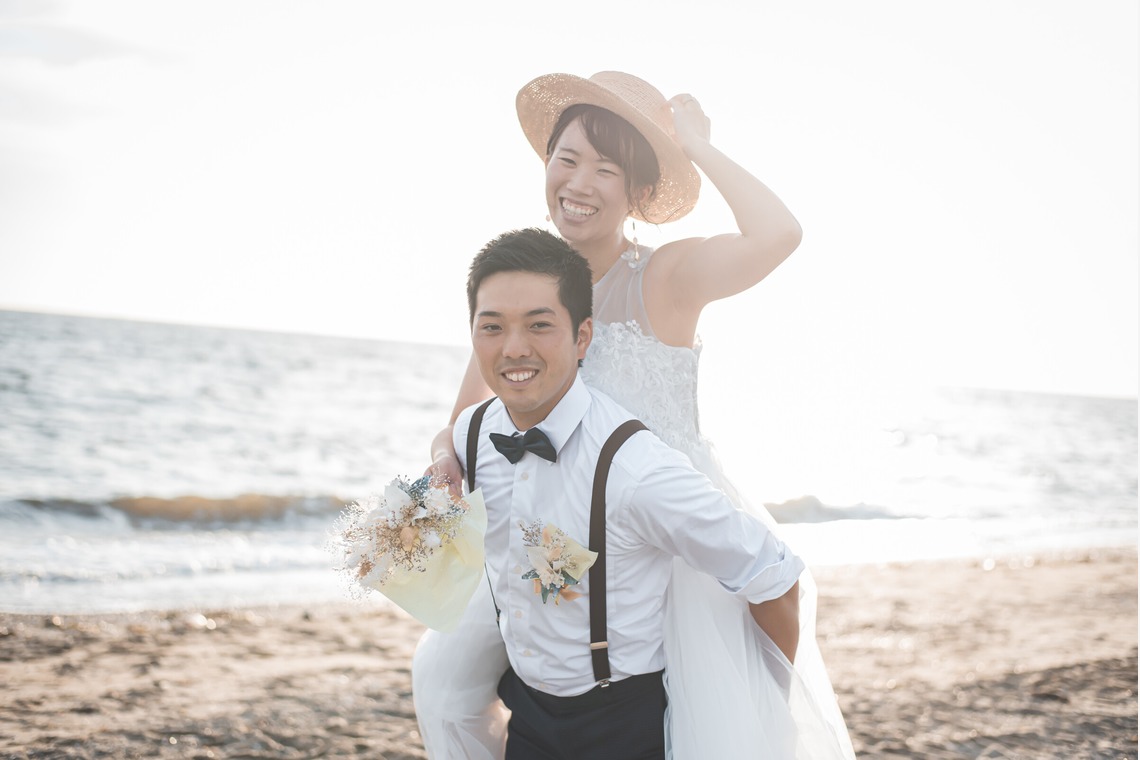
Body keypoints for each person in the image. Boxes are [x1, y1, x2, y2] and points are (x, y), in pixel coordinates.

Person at [414, 71, 855, 759]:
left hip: (664, 537)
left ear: (640, 194)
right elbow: (469, 413)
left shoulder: (667, 277)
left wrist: (697, 147)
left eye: (605, 168)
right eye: (567, 158)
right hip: (543, 531)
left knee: (699, 733)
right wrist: (446, 455)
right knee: (441, 684)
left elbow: (779, 233)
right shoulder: (529, 283)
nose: (579, 182)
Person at [458, 227, 804, 760]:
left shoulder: (634, 469)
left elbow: (774, 575)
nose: (514, 348)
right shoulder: (473, 434)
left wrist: (761, 711)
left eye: (539, 325)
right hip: (525, 714)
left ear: (582, 338)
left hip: (620, 727)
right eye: (492, 327)